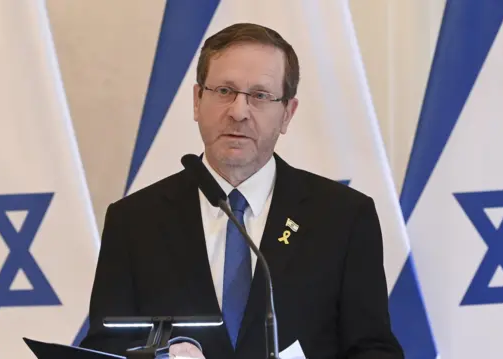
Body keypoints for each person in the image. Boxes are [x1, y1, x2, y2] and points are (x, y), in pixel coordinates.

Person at [80, 22, 404, 359]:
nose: (238, 112)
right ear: (197, 100)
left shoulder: (343, 217)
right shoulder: (134, 221)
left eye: (260, 96)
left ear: (287, 115)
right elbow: (106, 348)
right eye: (224, 91)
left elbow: (373, 349)